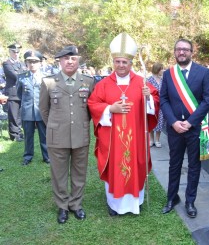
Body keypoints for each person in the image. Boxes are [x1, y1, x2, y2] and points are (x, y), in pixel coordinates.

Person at [88, 32, 159, 216]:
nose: (121, 65)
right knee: (115, 169)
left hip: (136, 137)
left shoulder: (142, 82)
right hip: (112, 140)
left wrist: (148, 98)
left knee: (136, 165)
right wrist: (110, 109)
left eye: (124, 62)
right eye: (117, 62)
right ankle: (115, 205)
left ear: (131, 63)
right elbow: (93, 104)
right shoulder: (103, 84)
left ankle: (136, 203)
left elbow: (155, 102)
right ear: (113, 62)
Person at [39, 45, 94, 224]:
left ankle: (76, 204)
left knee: (79, 172)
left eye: (73, 58)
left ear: (78, 61)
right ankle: (62, 206)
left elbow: (91, 109)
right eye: (66, 58)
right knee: (59, 173)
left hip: (81, 134)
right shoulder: (48, 82)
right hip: (57, 135)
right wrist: (55, 126)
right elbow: (44, 110)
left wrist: (82, 124)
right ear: (59, 61)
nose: (70, 61)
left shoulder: (88, 81)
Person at [160, 38, 209, 218]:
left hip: (194, 128)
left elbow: (208, 100)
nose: (181, 52)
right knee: (174, 164)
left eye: (185, 49)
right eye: (178, 49)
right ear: (174, 52)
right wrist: (174, 122)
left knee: (194, 166)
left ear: (192, 52)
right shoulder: (169, 74)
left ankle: (190, 201)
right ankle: (172, 197)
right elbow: (164, 99)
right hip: (174, 128)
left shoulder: (204, 72)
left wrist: (190, 122)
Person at [17, 50, 50, 166]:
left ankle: (47, 157)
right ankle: (27, 156)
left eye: (35, 62)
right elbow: (18, 95)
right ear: (26, 63)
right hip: (27, 111)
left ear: (40, 63)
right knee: (28, 136)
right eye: (29, 62)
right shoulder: (21, 77)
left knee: (44, 135)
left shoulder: (46, 77)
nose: (32, 64)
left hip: (42, 111)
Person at [2, 43, 27, 141]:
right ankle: (14, 135)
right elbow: (15, 76)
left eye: (17, 52)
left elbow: (25, 74)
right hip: (12, 93)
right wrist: (24, 76)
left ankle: (19, 133)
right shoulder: (7, 63)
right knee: (13, 115)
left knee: (19, 115)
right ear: (10, 52)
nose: (16, 54)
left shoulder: (21, 63)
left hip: (21, 92)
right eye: (14, 52)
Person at [147, 62, 165, 148]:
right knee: (151, 120)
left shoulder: (163, 80)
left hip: (161, 104)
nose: (163, 70)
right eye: (161, 69)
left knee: (160, 122)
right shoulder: (149, 80)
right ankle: (151, 139)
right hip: (152, 104)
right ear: (157, 69)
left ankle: (157, 140)